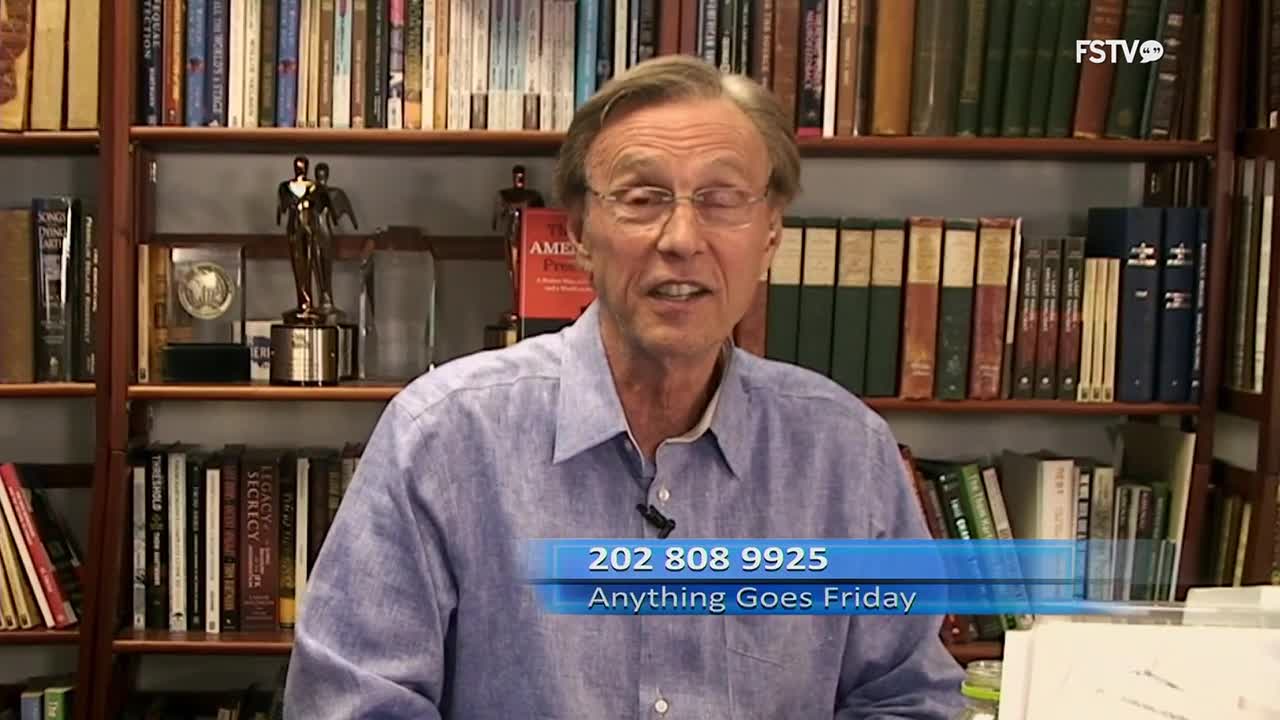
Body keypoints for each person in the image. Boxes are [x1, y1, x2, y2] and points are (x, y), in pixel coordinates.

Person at [285, 55, 966, 719]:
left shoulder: (845, 454)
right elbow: (350, 703)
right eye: (643, 199)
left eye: (722, 200)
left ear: (769, 236)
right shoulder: (442, 436)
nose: (682, 238)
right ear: (579, 233)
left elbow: (907, 699)